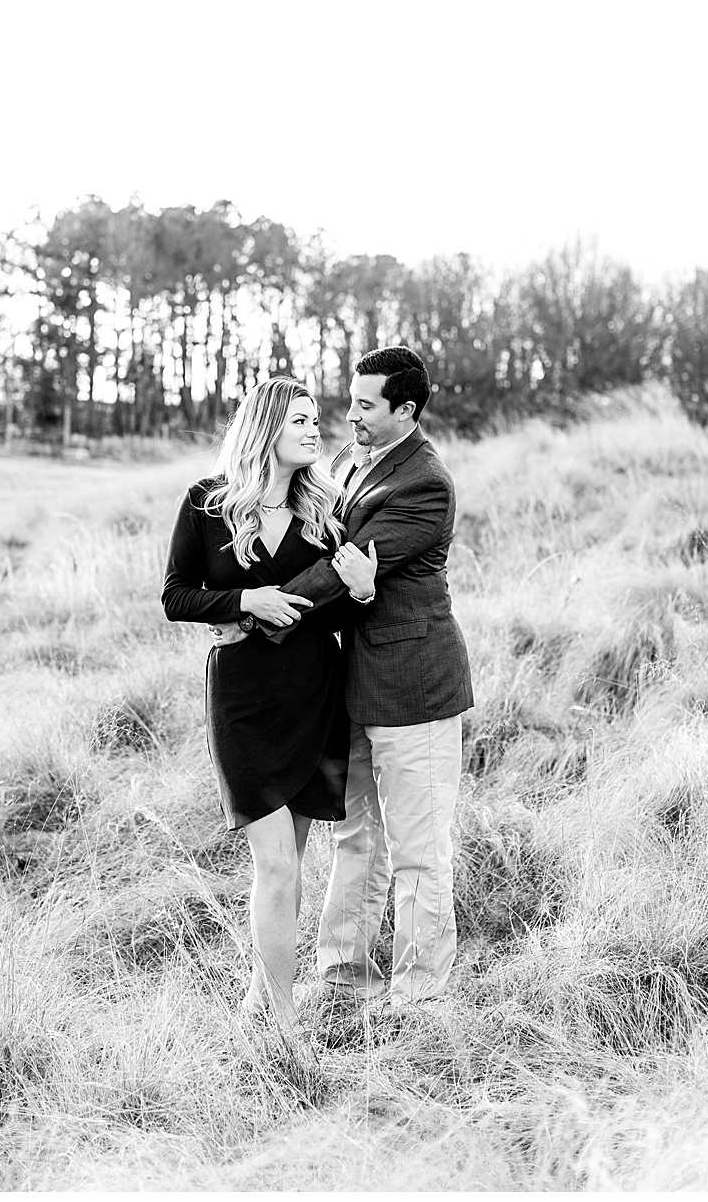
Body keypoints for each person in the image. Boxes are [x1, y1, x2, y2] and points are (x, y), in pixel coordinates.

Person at [251, 345, 476, 1011]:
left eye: (366, 405)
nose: (349, 416)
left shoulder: (424, 482)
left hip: (415, 686)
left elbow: (342, 569)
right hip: (357, 687)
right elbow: (339, 564)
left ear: (406, 410)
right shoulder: (355, 461)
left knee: (416, 848)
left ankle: (418, 992)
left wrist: (266, 611)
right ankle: (343, 970)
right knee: (356, 835)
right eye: (349, 401)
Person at [160, 376, 376, 1030]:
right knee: (276, 863)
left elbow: (345, 602)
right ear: (266, 429)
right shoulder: (208, 503)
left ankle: (260, 996)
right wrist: (244, 600)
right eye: (300, 421)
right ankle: (281, 1022)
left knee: (291, 865)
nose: (315, 430)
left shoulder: (327, 508)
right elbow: (176, 596)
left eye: (315, 420)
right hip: (245, 703)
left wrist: (363, 592)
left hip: (315, 695)